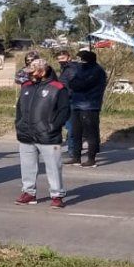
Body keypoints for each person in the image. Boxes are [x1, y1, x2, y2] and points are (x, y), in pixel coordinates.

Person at [14, 58, 71, 209]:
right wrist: (19, 124)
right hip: (26, 134)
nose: (29, 75)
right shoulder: (26, 86)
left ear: (42, 71)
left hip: (48, 136)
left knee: (53, 167)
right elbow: (19, 108)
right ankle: (29, 193)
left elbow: (64, 111)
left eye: (32, 72)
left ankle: (57, 195)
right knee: (27, 166)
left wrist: (53, 126)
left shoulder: (58, 88)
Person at [67, 49, 107, 167]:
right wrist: (76, 84)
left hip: (90, 105)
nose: (80, 62)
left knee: (91, 134)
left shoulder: (97, 71)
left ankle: (91, 159)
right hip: (76, 104)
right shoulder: (80, 69)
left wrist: (77, 84)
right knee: (76, 132)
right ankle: (76, 157)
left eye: (82, 60)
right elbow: (72, 83)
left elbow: (84, 85)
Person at [55, 49, 77, 155]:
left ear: (69, 57)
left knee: (71, 126)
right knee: (69, 125)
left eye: (63, 58)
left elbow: (73, 85)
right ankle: (71, 148)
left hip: (71, 100)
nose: (61, 61)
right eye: (59, 59)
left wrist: (66, 93)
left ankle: (73, 149)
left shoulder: (71, 69)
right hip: (65, 99)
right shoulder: (65, 68)